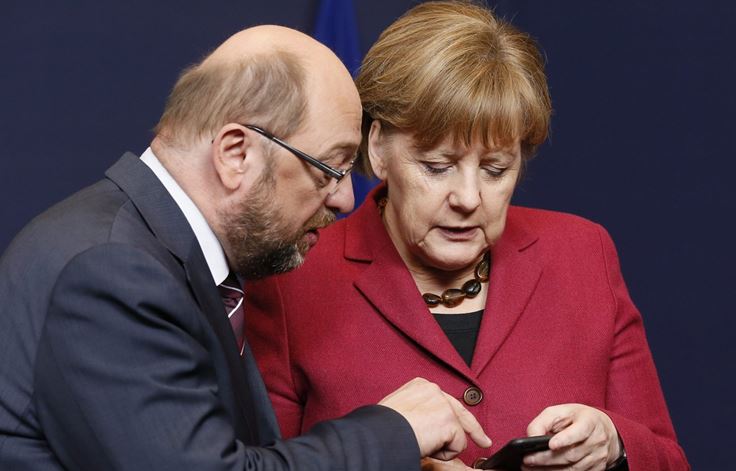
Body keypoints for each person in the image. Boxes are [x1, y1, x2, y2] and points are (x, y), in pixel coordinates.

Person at [0, 25, 492, 470]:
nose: (345, 198)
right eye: (328, 169)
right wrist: (394, 432)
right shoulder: (114, 270)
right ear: (237, 154)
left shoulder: (171, 257)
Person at [246, 2, 690, 470]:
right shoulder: (293, 278)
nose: (468, 197)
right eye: (437, 167)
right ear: (376, 148)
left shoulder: (583, 253)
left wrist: (615, 443)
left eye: (496, 169)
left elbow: (670, 460)